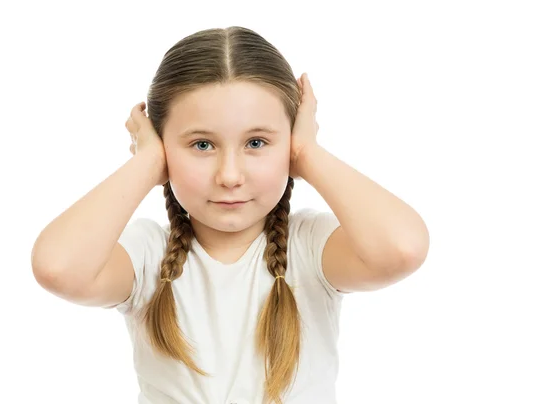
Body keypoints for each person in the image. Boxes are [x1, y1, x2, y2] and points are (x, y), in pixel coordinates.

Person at [31, 26, 429, 404]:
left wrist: (308, 154)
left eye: (256, 142)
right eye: (202, 144)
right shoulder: (148, 253)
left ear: (289, 141)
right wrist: (148, 162)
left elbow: (402, 248)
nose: (230, 176)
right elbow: (58, 267)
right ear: (162, 145)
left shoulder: (309, 248)